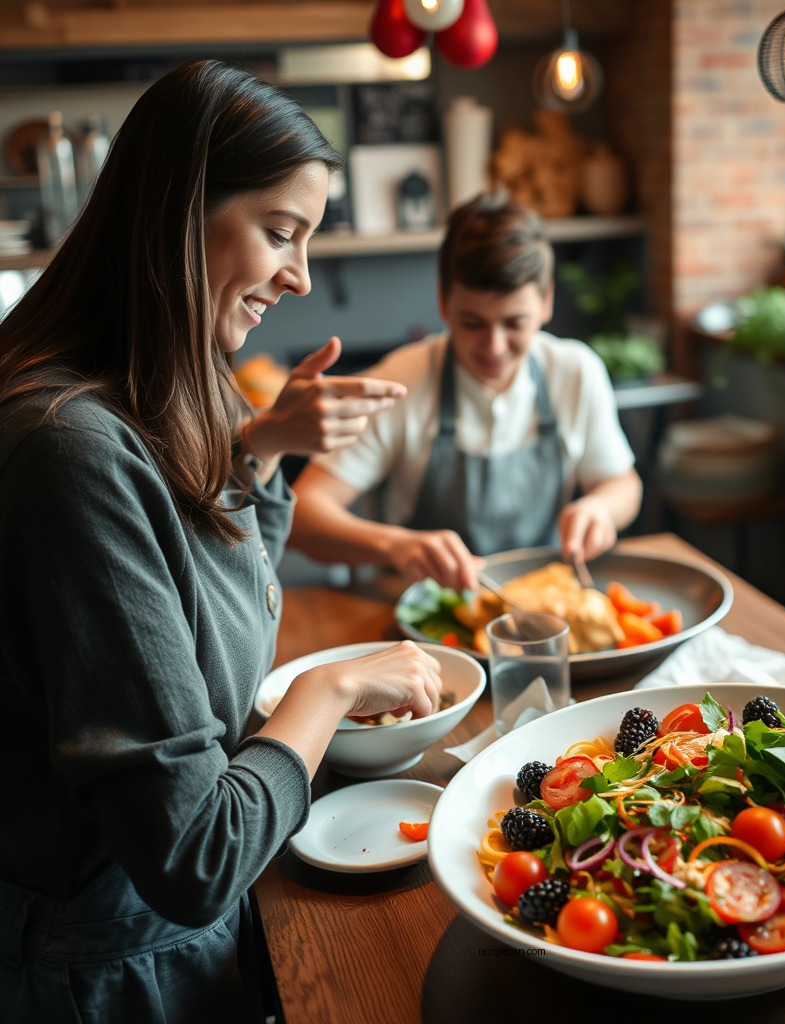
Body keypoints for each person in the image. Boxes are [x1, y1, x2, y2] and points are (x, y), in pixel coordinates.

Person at [0, 59, 443, 1023]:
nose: (301, 276)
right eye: (281, 232)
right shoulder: (70, 448)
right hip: (102, 970)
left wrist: (261, 452)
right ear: (174, 216)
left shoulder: (152, 399)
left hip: (157, 947)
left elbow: (205, 600)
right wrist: (335, 686)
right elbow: (196, 854)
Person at [289, 192, 643, 592]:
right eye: (473, 322)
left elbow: (623, 485)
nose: (493, 346)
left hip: (546, 605)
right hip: (425, 620)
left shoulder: (575, 372)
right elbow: (301, 516)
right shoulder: (399, 382)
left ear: (546, 303)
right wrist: (394, 546)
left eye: (514, 323)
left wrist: (600, 508)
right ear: (443, 302)